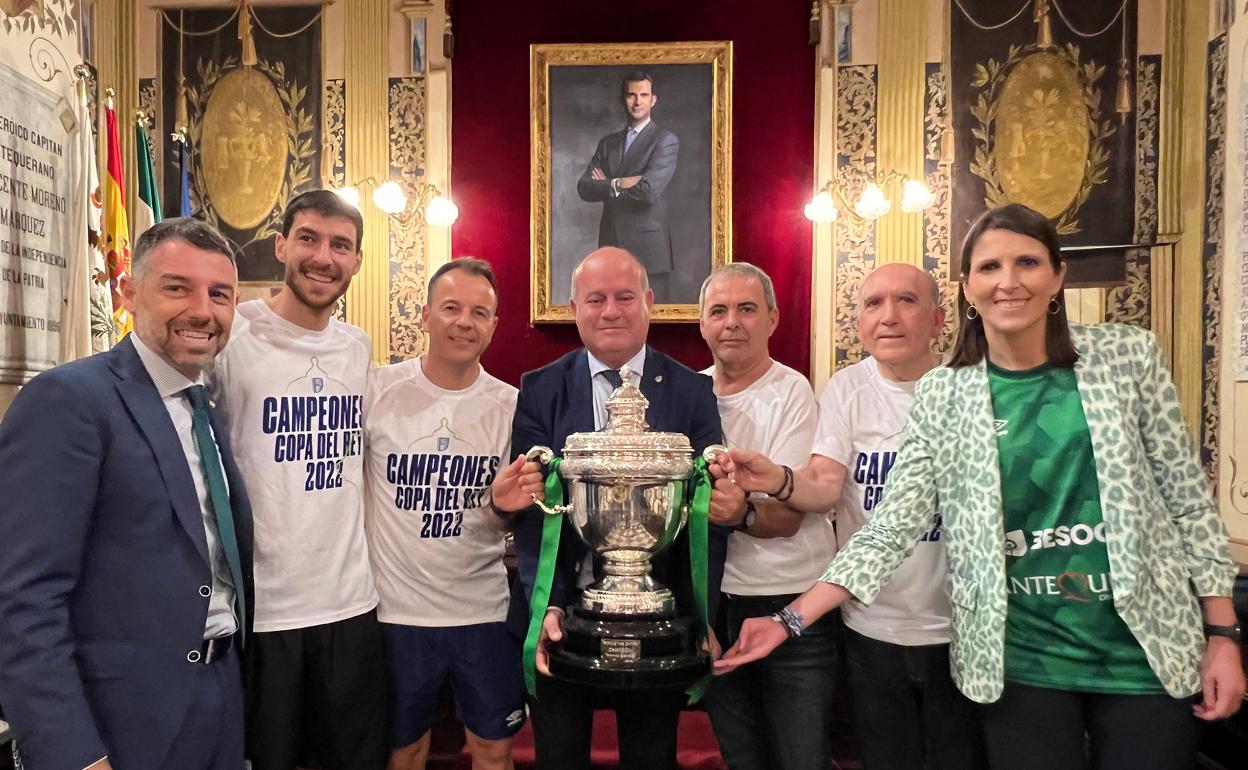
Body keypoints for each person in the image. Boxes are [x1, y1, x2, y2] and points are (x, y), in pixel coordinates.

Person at [715, 204, 1245, 770]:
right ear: (968, 287)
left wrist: (1223, 632)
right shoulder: (946, 392)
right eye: (990, 268)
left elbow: (1186, 500)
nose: (1009, 281)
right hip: (1020, 656)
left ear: (1057, 276)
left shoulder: (1128, 357)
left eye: (1028, 263)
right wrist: (789, 619)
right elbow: (891, 526)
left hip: (1144, 648)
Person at [0, 218, 253, 770]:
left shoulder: (202, 403)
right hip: (120, 720)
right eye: (176, 287)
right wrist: (72, 753)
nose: (202, 310)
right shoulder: (67, 402)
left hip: (218, 697)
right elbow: (22, 599)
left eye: (220, 294)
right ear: (128, 293)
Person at [729, 262, 984, 769]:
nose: (888, 316)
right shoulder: (848, 388)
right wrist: (776, 478)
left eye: (906, 301)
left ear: (937, 320)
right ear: (860, 322)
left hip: (961, 630)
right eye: (873, 303)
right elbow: (824, 484)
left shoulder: (970, 389)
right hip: (871, 626)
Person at [490, 246, 728, 770]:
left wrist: (699, 613)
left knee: (651, 757)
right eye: (595, 299)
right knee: (559, 757)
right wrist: (544, 607)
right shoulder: (540, 388)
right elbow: (535, 510)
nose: (610, 311)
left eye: (624, 297)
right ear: (575, 307)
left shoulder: (692, 390)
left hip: (658, 617)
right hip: (563, 617)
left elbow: (706, 514)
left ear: (649, 302)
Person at [209, 190, 387, 770]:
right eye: (309, 238)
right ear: (281, 244)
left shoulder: (357, 347)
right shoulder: (232, 335)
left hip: (350, 606)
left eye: (340, 245)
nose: (323, 257)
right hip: (265, 613)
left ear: (357, 260)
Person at [364, 258, 524, 770]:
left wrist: (503, 507)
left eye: (480, 312)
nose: (465, 322)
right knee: (404, 751)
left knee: (493, 751)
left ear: (494, 326)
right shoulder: (376, 391)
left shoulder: (511, 407)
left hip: (483, 612)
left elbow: (511, 518)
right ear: (426, 315)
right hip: (395, 614)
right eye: (452, 308)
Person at [695, 263, 839, 770]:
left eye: (747, 308)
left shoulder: (792, 392)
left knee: (801, 759)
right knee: (742, 759)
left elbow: (788, 517)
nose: (731, 321)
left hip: (791, 605)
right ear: (702, 324)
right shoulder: (690, 394)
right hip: (717, 606)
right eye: (719, 310)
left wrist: (739, 515)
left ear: (773, 319)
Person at [576, 72, 680, 302]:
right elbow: (584, 187)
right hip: (610, 247)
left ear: (653, 100)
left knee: (652, 326)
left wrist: (605, 185)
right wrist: (619, 183)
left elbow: (647, 192)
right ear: (623, 99)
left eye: (644, 95)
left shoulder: (665, 140)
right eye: (631, 95)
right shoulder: (608, 143)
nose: (637, 101)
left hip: (649, 253)